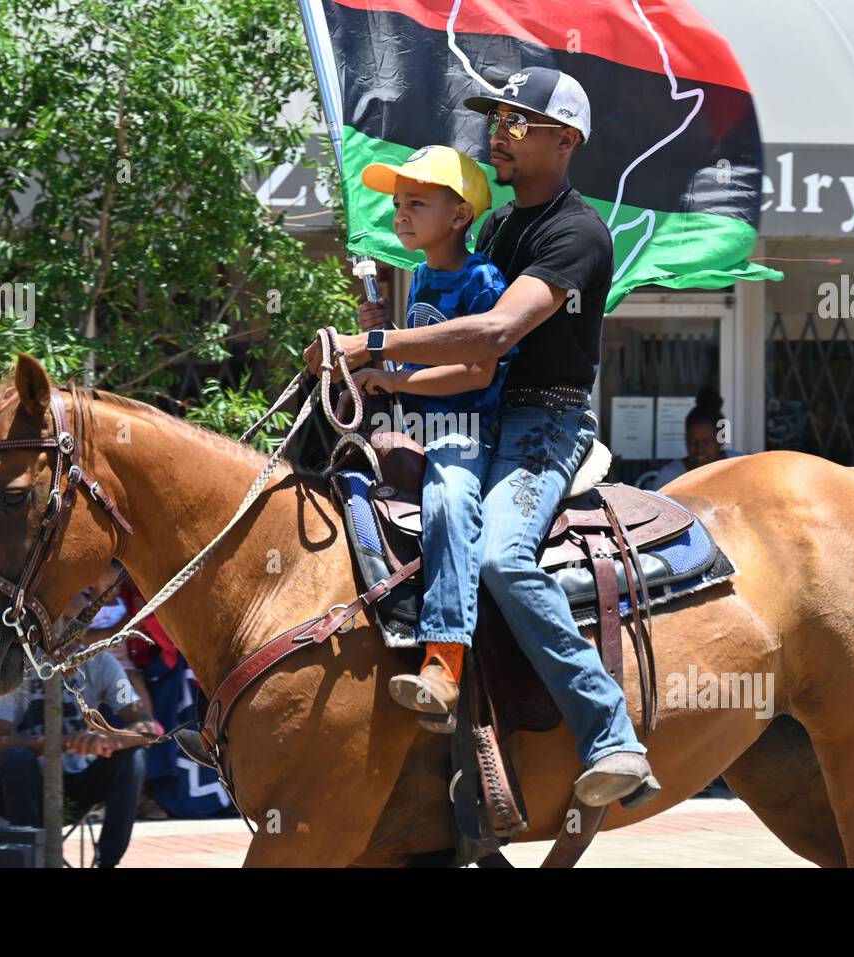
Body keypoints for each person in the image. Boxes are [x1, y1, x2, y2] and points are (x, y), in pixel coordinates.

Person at [305, 66, 659, 809]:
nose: (498, 130)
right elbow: (458, 340)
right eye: (495, 118)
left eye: (516, 121)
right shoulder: (494, 227)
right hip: (469, 416)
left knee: (500, 552)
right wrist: (385, 360)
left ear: (565, 141)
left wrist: (372, 349)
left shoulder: (578, 231)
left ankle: (611, 734)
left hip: (546, 421)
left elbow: (496, 332)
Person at [345, 144, 509, 732]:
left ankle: (445, 657)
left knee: (448, 502)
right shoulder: (419, 276)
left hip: (467, 432)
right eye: (397, 204)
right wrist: (383, 333)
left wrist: (388, 372)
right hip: (415, 426)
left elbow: (476, 371)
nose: (401, 214)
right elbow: (421, 359)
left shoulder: (482, 279)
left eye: (416, 203)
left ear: (460, 215)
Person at [0, 624, 159, 867]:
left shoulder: (101, 663)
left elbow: (148, 728)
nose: (68, 631)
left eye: (76, 621)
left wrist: (110, 740)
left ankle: (107, 861)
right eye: (61, 619)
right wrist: (57, 744)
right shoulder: (14, 666)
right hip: (26, 788)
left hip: (78, 789)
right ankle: (31, 858)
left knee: (133, 758)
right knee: (16, 759)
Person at [651, 387, 746, 489]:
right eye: (692, 441)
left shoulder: (741, 466)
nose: (699, 448)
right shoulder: (671, 477)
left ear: (721, 439)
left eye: (706, 441)